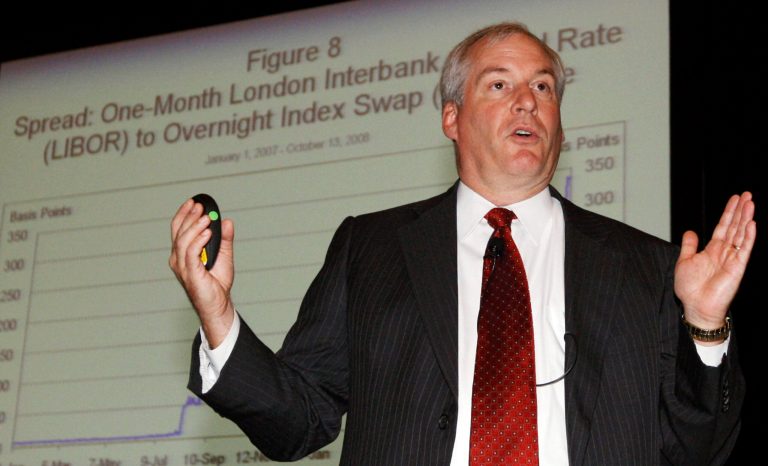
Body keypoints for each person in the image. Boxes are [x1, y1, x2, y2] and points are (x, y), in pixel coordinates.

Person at [170, 22, 755, 465]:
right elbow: (298, 420)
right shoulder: (370, 249)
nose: (527, 100)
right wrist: (218, 315)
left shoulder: (644, 265)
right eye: (500, 84)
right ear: (451, 117)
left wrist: (704, 325)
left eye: (543, 87)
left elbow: (698, 447)